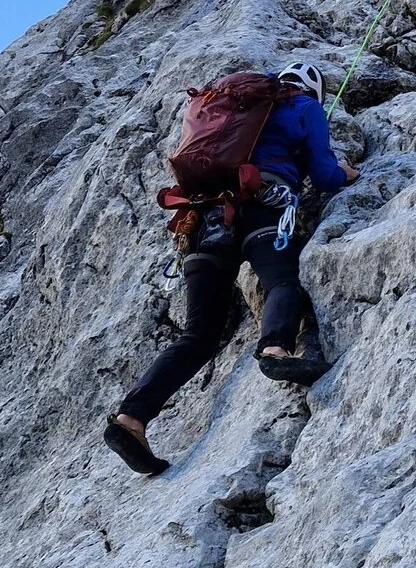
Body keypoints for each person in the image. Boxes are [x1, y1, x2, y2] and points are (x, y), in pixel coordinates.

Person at [104, 62, 359, 475]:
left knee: (199, 334)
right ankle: (276, 349)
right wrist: (345, 171)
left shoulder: (228, 108)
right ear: (313, 90)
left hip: (204, 216)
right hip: (264, 205)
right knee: (280, 280)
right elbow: (325, 175)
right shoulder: (303, 106)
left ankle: (131, 419)